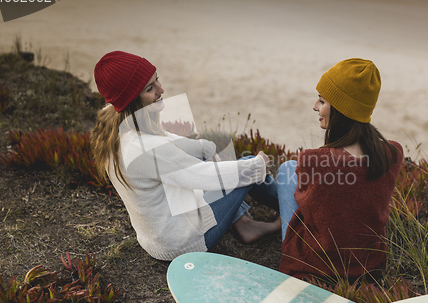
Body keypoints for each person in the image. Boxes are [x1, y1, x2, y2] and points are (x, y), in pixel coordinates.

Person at [91, 51, 280, 261]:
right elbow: (205, 176)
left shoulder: (116, 127)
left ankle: (245, 224)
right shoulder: (146, 149)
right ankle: (299, 209)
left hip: (158, 236)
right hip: (183, 242)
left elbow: (168, 143)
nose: (161, 90)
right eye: (150, 88)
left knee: (219, 162)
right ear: (131, 100)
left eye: (156, 80)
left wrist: (204, 148)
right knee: (245, 166)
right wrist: (258, 164)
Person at [277, 58, 403, 284]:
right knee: (290, 172)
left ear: (341, 109)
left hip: (317, 265)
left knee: (286, 171)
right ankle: (267, 222)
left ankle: (261, 219)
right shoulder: (392, 154)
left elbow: (304, 204)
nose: (315, 106)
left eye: (322, 101)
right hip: (367, 266)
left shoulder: (314, 160)